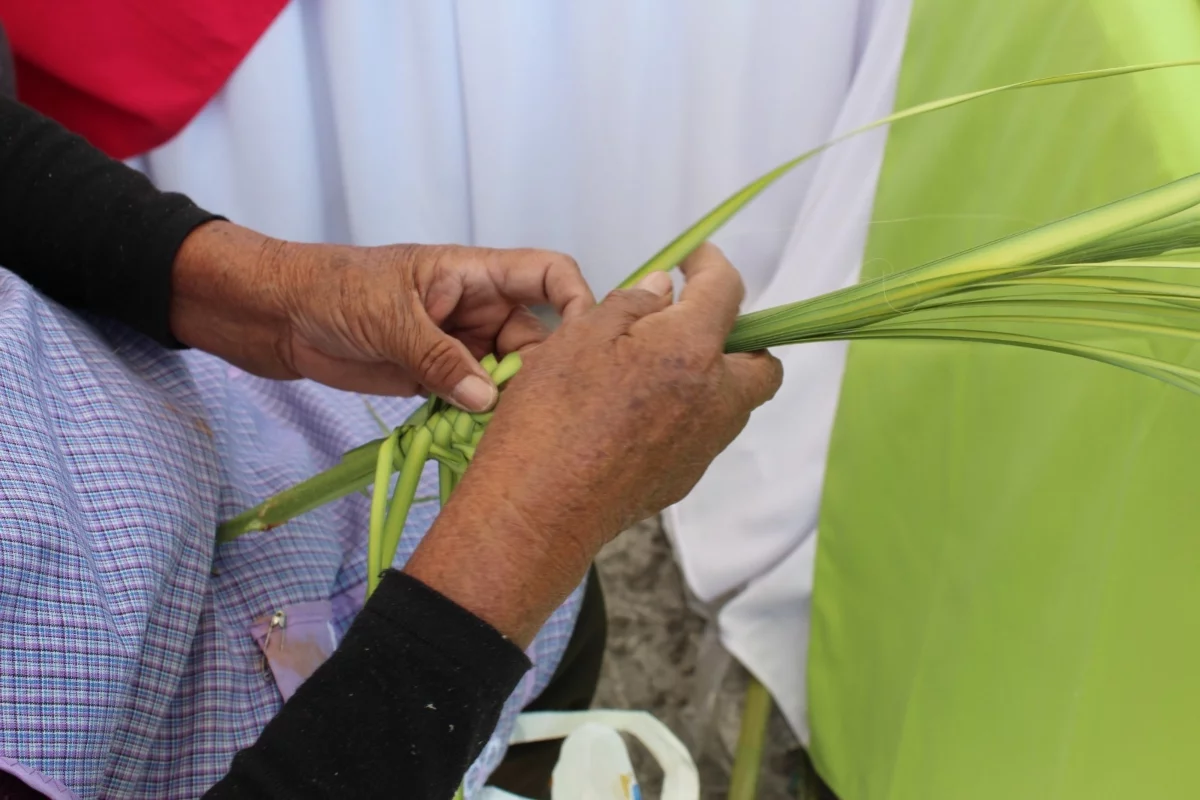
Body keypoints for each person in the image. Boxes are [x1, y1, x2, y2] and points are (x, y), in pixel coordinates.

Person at [0, 92, 781, 800]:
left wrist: (262, 293)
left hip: (172, 406)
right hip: (256, 745)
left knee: (568, 620)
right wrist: (532, 524)